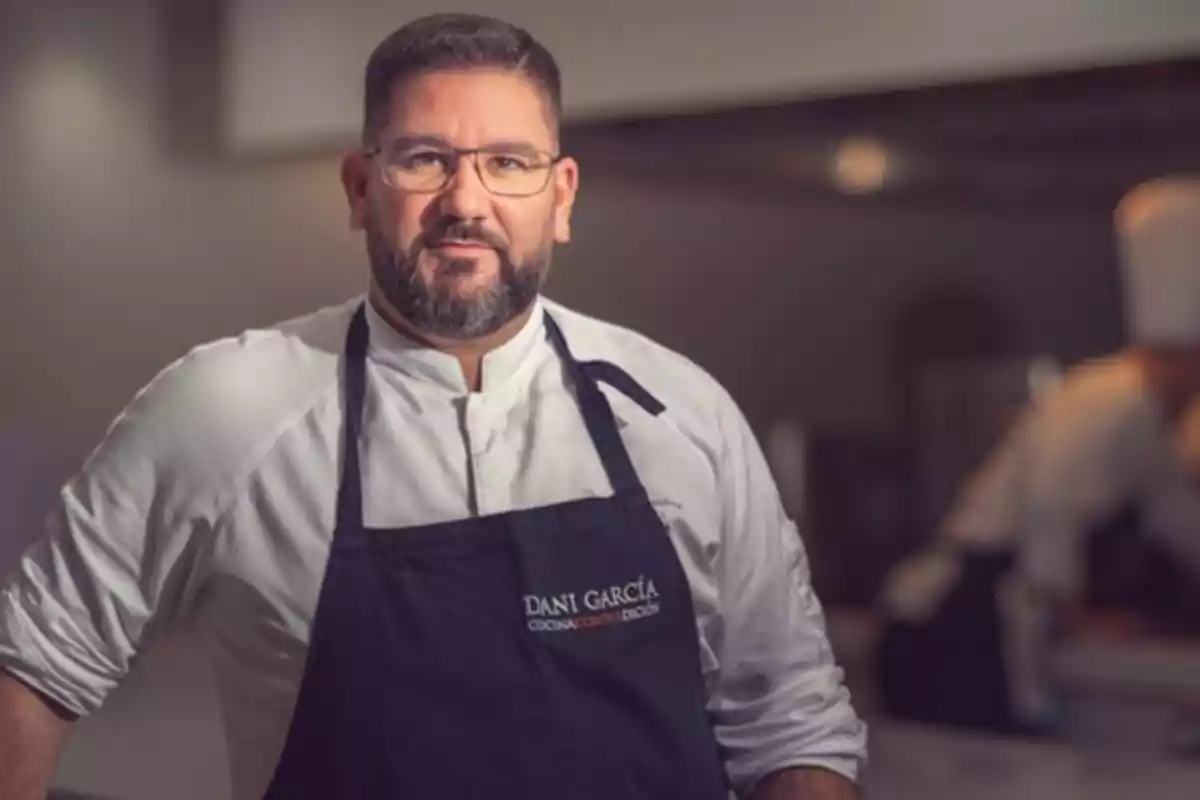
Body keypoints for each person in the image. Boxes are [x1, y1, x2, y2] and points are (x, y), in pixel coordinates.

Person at [0, 13, 866, 800]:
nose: (465, 201)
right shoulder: (225, 408)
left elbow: (791, 722)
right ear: (357, 187)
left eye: (507, 163)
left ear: (560, 196)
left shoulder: (682, 410)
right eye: (424, 158)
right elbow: (31, 670)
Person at [877, 175, 1200, 735]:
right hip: (955, 623)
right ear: (1180, 358)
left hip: (998, 625)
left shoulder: (1154, 422)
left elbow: (1178, 519)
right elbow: (1049, 519)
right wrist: (1086, 620)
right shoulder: (1104, 402)